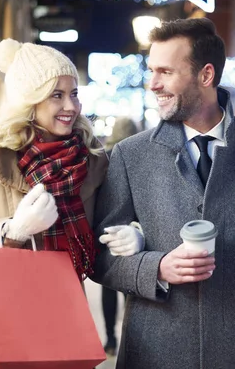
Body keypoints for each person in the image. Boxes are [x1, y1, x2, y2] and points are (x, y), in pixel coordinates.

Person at [92, 18, 235, 368]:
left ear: (206, 75)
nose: (153, 84)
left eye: (165, 72)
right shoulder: (128, 155)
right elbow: (96, 259)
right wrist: (156, 267)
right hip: (153, 356)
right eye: (151, 71)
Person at [0, 39, 143, 279]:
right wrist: (13, 231)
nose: (71, 106)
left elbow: (101, 238)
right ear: (29, 101)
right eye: (56, 95)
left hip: (69, 301)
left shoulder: (92, 158)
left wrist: (133, 235)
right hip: (8, 305)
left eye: (74, 94)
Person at [100, 117, 139, 356]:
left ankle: (110, 339)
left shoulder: (104, 156)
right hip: (131, 232)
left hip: (106, 232)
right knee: (129, 289)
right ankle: (128, 335)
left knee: (108, 290)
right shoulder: (137, 155)